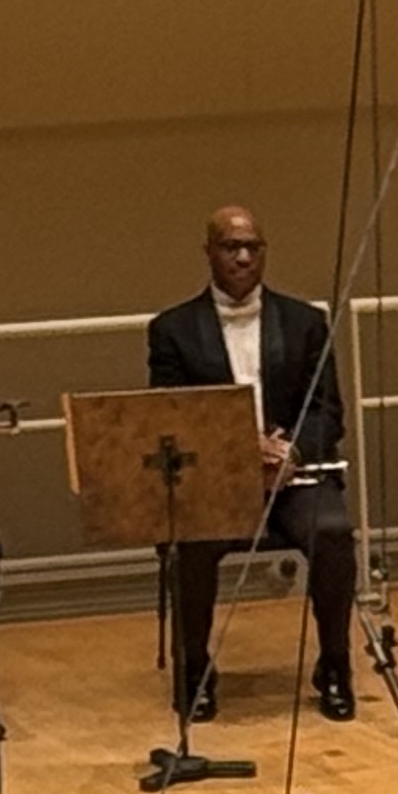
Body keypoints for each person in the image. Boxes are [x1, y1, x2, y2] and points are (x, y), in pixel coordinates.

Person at [146, 204, 358, 724]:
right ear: (209, 253)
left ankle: (335, 665)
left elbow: (327, 408)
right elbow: (170, 414)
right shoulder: (172, 329)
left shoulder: (307, 322)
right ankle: (195, 670)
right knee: (191, 544)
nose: (242, 257)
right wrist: (242, 452)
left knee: (332, 532)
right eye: (230, 247)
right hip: (217, 482)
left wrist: (293, 453)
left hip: (291, 476)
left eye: (252, 247)